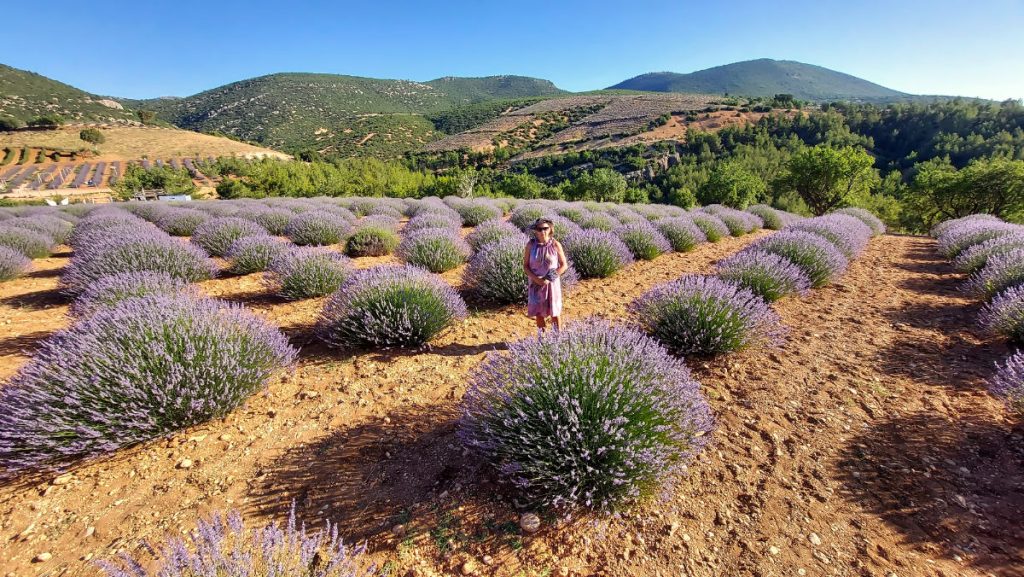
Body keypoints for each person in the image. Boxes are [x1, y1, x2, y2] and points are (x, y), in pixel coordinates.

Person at [523, 218, 568, 337]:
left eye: (545, 228)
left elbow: (564, 265)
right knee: (539, 313)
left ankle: (557, 338)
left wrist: (549, 278)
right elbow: (526, 266)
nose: (542, 231)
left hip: (552, 284)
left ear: (550, 229)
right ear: (535, 230)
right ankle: (542, 339)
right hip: (535, 284)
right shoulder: (530, 245)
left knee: (555, 313)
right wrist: (535, 279)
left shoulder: (555, 244)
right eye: (539, 229)